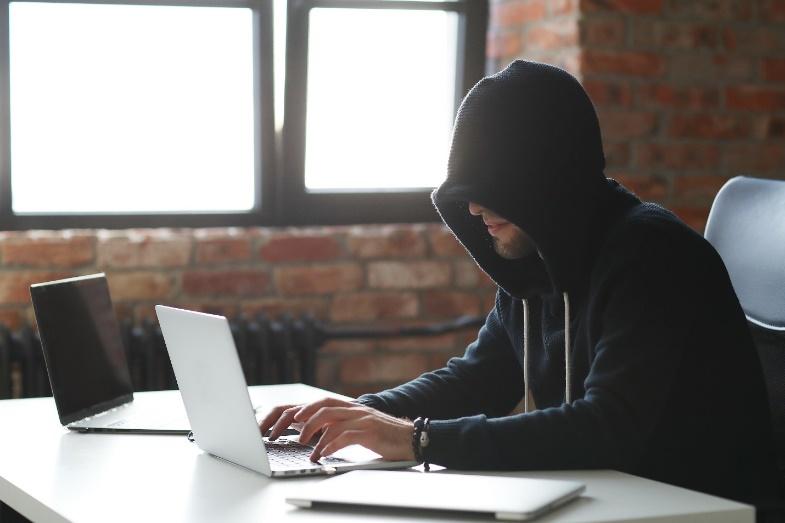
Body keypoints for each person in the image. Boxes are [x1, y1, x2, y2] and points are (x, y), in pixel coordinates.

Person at [260, 60, 780, 504]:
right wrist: (359, 412)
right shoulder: (535, 258)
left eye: (488, 187)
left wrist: (418, 441)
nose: (472, 206)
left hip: (694, 504)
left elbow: (607, 427)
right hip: (611, 495)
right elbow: (479, 378)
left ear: (543, 181)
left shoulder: (652, 255)